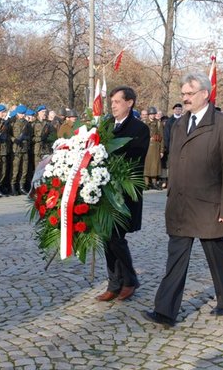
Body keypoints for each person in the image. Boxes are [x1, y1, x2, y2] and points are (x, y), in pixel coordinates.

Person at [142, 72, 223, 327]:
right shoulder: (177, 124)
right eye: (183, 94)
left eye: (190, 93)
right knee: (176, 257)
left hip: (210, 206)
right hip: (180, 204)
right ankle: (165, 311)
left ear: (205, 94)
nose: (185, 98)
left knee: (216, 255)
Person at [96, 86, 149, 302]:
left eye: (117, 101)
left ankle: (129, 281)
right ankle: (115, 283)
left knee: (116, 237)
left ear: (130, 103)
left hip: (124, 192)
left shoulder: (139, 128)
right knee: (105, 237)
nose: (113, 105)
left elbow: (134, 158)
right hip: (103, 190)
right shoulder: (107, 125)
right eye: (112, 102)